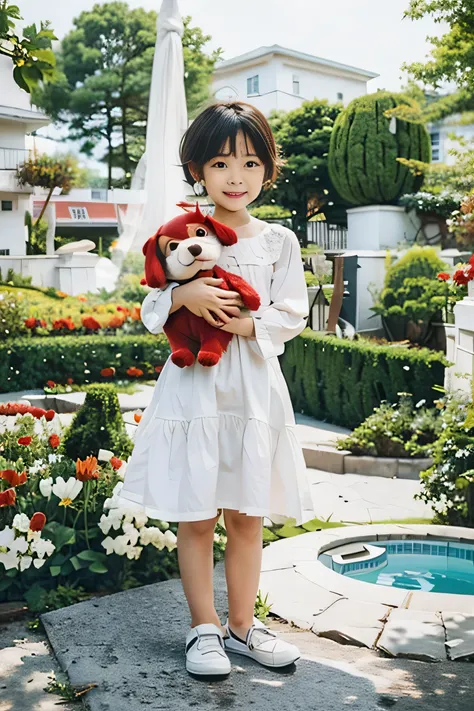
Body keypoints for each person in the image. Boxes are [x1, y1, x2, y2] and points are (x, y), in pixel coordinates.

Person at [118, 101, 315, 677]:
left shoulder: (277, 241)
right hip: (195, 390)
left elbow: (292, 313)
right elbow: (151, 300)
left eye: (251, 163)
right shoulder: (183, 233)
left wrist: (246, 323)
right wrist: (184, 298)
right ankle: (203, 629)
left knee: (247, 515)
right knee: (197, 515)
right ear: (198, 169)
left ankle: (243, 627)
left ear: (267, 169)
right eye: (223, 163)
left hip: (252, 388)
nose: (237, 177)